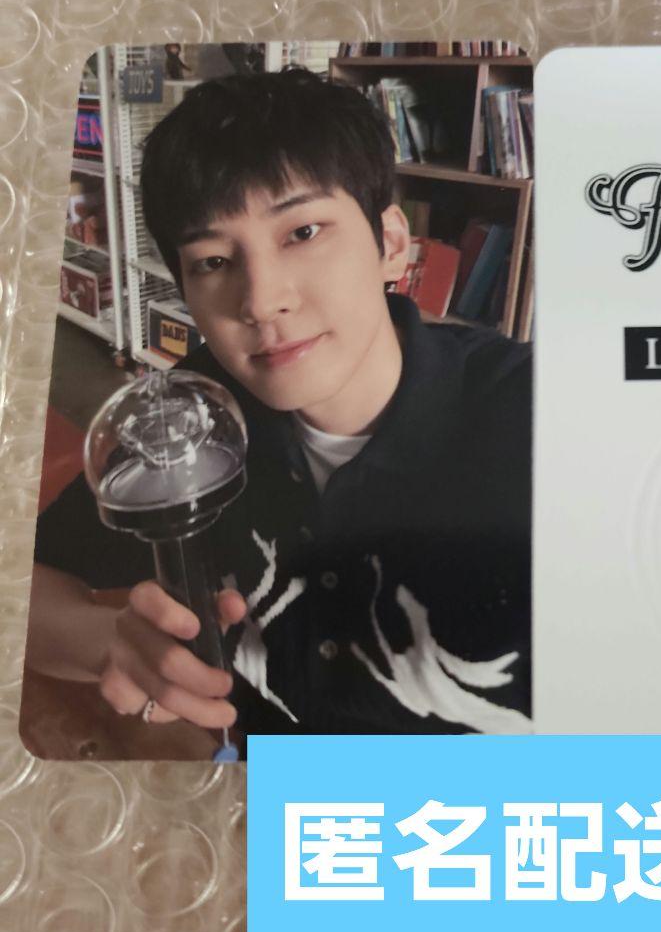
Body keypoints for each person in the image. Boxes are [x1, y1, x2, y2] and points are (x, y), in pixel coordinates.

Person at [27, 68, 532, 751]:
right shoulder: (192, 418)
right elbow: (31, 588)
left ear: (391, 243)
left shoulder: (544, 419)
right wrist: (110, 644)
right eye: (213, 262)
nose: (261, 301)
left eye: (303, 231)